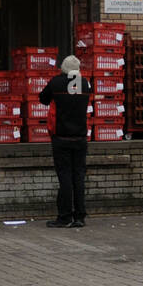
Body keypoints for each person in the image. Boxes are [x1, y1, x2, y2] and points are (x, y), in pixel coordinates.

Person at [39, 55, 93, 228]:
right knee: (78, 177)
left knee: (65, 178)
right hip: (80, 138)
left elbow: (43, 98)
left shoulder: (56, 83)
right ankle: (80, 216)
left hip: (61, 137)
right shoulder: (85, 84)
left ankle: (64, 216)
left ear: (63, 68)